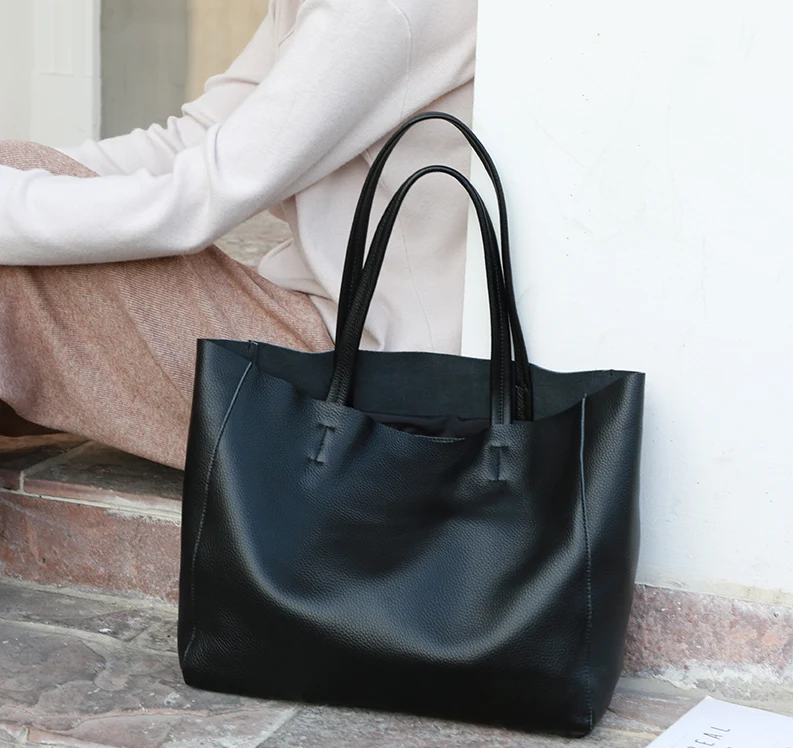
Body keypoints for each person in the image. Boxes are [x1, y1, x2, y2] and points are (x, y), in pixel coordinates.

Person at [0, 0, 477, 470]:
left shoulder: (382, 11)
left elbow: (203, 199)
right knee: (16, 177)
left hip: (384, 389)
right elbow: (190, 139)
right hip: (329, 336)